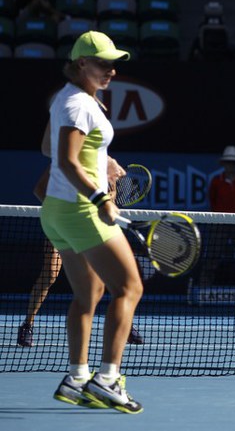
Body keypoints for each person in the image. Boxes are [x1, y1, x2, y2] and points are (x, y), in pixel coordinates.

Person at [39, 31, 143, 413]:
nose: (111, 70)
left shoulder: (68, 99)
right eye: (103, 63)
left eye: (114, 63)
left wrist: (104, 161)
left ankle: (77, 378)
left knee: (89, 293)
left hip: (56, 211)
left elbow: (48, 149)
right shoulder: (79, 104)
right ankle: (108, 380)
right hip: (81, 209)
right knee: (129, 288)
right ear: (81, 63)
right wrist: (101, 198)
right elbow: (67, 161)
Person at [17, 161, 145, 347]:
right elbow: (39, 189)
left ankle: (126, 325)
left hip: (89, 229)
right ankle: (27, 324)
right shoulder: (64, 159)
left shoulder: (106, 163)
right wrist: (62, 214)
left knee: (111, 277)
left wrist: (107, 200)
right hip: (63, 226)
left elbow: (111, 200)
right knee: (50, 274)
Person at [199, 146, 235, 287]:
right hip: (219, 224)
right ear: (224, 164)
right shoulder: (216, 181)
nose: (231, 165)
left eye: (233, 163)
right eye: (228, 162)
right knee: (212, 255)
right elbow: (213, 200)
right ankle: (204, 286)